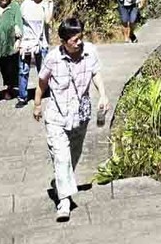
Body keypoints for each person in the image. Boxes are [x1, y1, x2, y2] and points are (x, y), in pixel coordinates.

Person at [33, 16, 108, 222]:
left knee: (73, 157)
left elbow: (96, 73)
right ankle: (64, 202)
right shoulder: (53, 58)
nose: (79, 42)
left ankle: (61, 183)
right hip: (57, 116)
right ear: (64, 41)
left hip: (81, 116)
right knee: (61, 157)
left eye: (80, 37)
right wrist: (37, 104)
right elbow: (42, 82)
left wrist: (103, 94)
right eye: (74, 40)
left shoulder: (90, 51)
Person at [16, 0, 54, 107]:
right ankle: (22, 97)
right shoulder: (25, 4)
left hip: (42, 43)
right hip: (26, 43)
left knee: (43, 70)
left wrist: (46, 4)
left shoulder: (49, 3)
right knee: (23, 70)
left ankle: (44, 91)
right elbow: (19, 22)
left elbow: (48, 20)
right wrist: (18, 40)